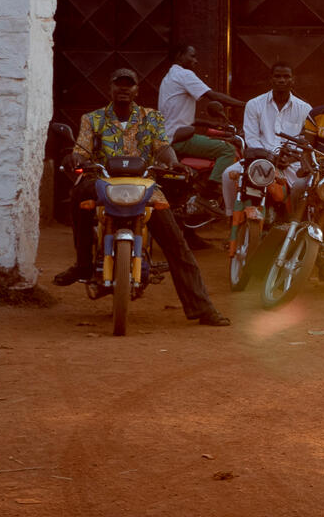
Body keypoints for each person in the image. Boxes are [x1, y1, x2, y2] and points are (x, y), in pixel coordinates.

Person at [53, 68, 229, 326]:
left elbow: (163, 147)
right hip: (104, 183)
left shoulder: (152, 118)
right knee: (79, 192)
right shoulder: (93, 119)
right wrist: (75, 157)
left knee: (177, 245)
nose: (123, 89)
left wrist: (174, 163)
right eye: (118, 84)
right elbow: (82, 148)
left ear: (137, 90)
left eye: (129, 85)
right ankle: (83, 263)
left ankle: (203, 310)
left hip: (145, 187)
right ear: (110, 88)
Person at [221, 62, 312, 215]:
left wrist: (289, 160)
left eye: (286, 76)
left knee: (306, 188)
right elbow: (251, 138)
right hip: (260, 159)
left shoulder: (304, 109)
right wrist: (269, 157)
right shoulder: (254, 104)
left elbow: (305, 141)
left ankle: (296, 224)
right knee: (227, 176)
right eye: (277, 76)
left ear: (293, 80)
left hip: (290, 163)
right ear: (270, 79)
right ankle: (231, 215)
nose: (282, 80)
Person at [158, 44, 244, 187]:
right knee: (228, 150)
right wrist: (246, 105)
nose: (196, 60)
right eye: (192, 56)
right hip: (179, 139)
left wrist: (212, 124)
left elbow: (178, 116)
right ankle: (210, 192)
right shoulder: (184, 74)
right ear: (179, 55)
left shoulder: (168, 78)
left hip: (169, 137)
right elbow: (212, 95)